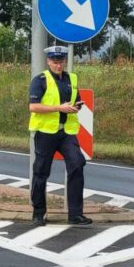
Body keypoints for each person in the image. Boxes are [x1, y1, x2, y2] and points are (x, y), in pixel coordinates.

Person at [28, 46, 91, 227]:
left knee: (77, 164)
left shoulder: (72, 79)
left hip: (67, 132)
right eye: (55, 62)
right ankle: (38, 213)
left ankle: (76, 214)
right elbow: (33, 107)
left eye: (61, 61)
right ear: (48, 61)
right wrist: (59, 108)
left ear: (65, 61)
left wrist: (77, 106)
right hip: (46, 132)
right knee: (41, 172)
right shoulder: (40, 80)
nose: (58, 65)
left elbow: (75, 100)